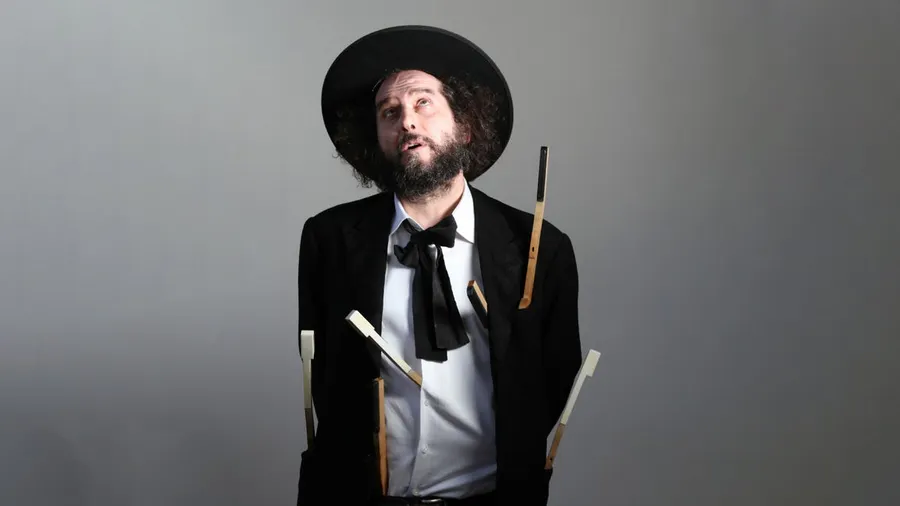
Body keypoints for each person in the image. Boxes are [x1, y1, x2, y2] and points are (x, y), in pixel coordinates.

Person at [297, 25, 583, 506]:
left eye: (423, 103)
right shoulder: (329, 240)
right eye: (390, 112)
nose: (407, 121)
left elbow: (552, 379)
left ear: (464, 127)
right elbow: (325, 378)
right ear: (377, 140)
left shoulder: (538, 246)